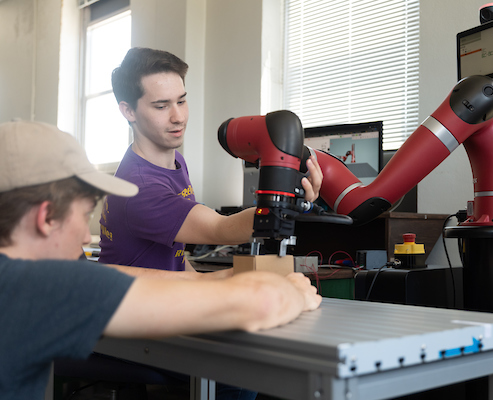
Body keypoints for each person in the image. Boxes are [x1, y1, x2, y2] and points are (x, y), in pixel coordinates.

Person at [0, 120, 322, 400]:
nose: (87, 236)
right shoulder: (37, 288)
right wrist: (292, 289)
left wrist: (212, 279)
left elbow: (115, 274)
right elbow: (261, 302)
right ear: (45, 218)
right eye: (83, 216)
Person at [98, 47, 323, 272]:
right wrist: (286, 202)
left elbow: (173, 258)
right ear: (128, 111)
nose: (178, 117)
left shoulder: (173, 162)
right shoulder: (140, 187)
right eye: (162, 106)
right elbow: (220, 228)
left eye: (181, 101)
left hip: (158, 296)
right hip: (131, 305)